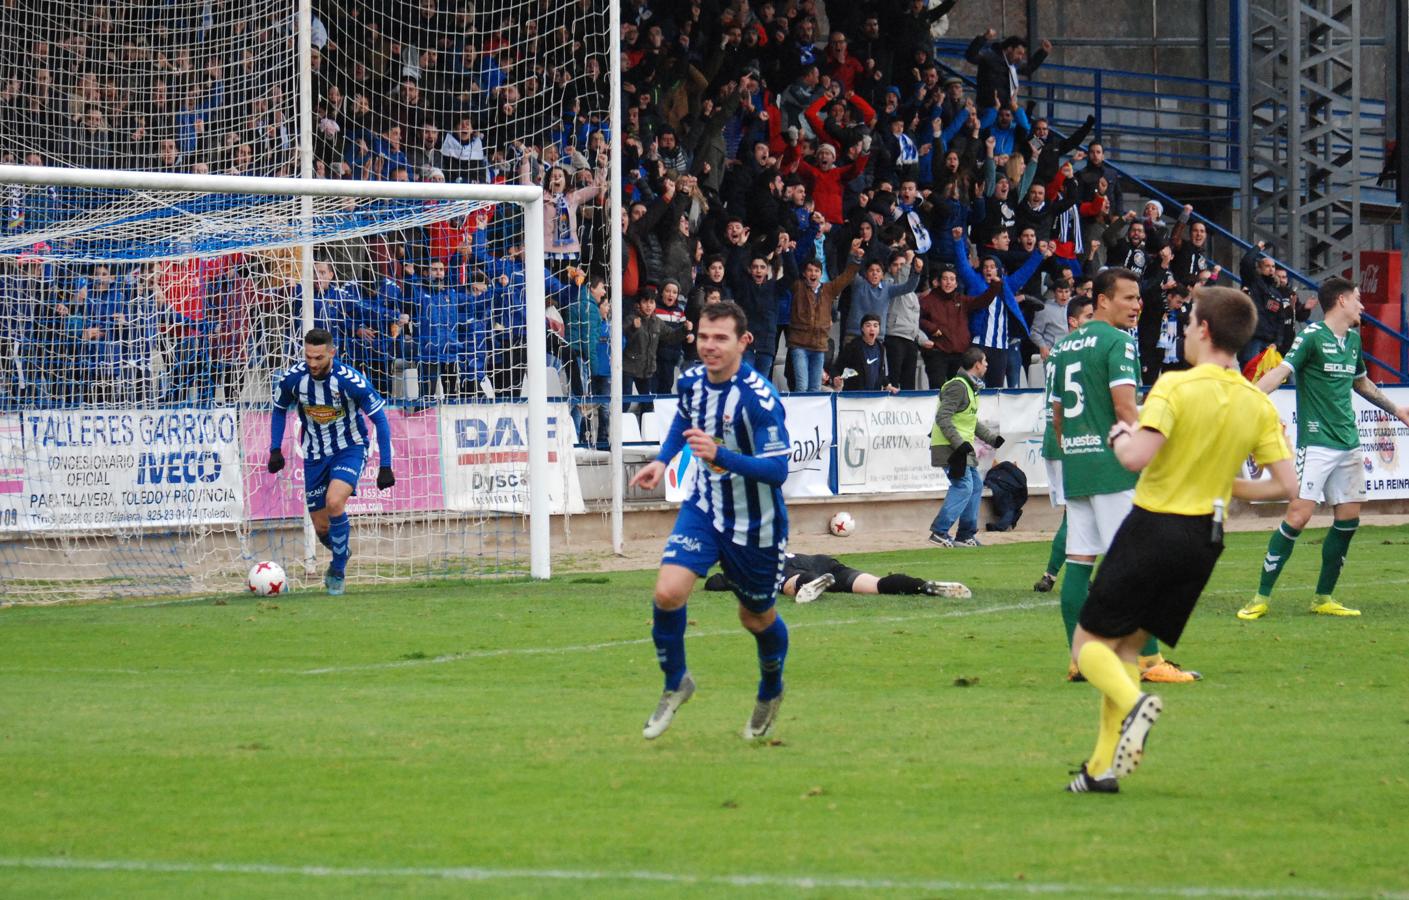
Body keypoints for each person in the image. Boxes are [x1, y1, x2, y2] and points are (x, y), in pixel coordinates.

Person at [1066, 286, 1296, 794]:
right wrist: (1218, 480)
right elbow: (1285, 487)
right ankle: (1101, 769)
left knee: (1087, 648)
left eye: (1190, 322)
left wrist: (1120, 437)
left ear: (1205, 330)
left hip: (1155, 524)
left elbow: (1134, 458)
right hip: (1205, 538)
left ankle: (1136, 707)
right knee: (1123, 650)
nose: (1186, 331)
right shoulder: (1253, 401)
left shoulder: (1176, 385)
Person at [629, 301, 794, 741]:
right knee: (667, 593)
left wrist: (720, 455)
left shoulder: (759, 399)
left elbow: (778, 471)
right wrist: (662, 460)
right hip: (704, 508)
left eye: (720, 338)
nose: (709, 346)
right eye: (703, 336)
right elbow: (685, 418)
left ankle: (771, 689)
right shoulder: (690, 381)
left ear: (744, 341)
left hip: (755, 525)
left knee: (755, 618)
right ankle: (675, 681)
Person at [1050, 269, 1198, 685]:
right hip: (1114, 467)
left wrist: (1075, 453)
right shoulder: (1119, 343)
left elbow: (1058, 415)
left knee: (1079, 561)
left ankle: (1080, 659)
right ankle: (1149, 662)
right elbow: (1126, 410)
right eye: (1128, 298)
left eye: (1138, 298)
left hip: (1078, 465)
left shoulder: (1063, 347)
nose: (1137, 305)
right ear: (1101, 300)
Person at [1239, 277, 1409, 620]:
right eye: (1359, 299)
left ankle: (1323, 597)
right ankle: (1260, 597)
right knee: (1299, 516)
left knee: (1348, 519)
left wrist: (1397, 410)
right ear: (1342, 301)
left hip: (1348, 442)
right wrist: (1248, 397)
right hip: (1316, 444)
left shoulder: (1353, 341)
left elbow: (1360, 382)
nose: (1363, 306)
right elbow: (1281, 373)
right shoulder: (1311, 336)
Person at [268, 328, 396, 596]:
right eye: (308, 357)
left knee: (335, 502)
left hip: (349, 448)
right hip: (314, 455)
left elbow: (380, 420)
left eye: (318, 358)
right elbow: (279, 410)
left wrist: (385, 465)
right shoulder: (294, 379)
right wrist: (275, 449)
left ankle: (337, 570)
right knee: (321, 527)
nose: (312, 363)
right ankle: (342, 551)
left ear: (332, 353)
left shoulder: (351, 381)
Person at [1033, 295, 1094, 594]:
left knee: (1078, 511)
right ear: (1073, 321)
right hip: (1070, 439)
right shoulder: (1080, 350)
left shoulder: (1058, 350)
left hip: (1057, 439)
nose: (1093, 323)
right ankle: (1061, 574)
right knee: (1080, 512)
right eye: (1088, 317)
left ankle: (1052, 574)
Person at [928, 347, 1004, 547]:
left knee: (975, 485)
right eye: (985, 361)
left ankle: (965, 534)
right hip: (951, 447)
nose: (987, 365)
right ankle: (940, 531)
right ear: (977, 364)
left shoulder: (970, 387)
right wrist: (959, 444)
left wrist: (991, 438)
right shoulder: (959, 386)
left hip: (961, 448)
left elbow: (970, 421)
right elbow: (942, 417)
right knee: (963, 486)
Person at [704, 553, 971, 603]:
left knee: (788, 582)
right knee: (875, 584)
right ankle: (921, 586)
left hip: (788, 570)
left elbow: (713, 582)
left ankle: (812, 584)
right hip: (819, 560)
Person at [831, 314, 898, 392]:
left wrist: (887, 385)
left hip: (874, 395)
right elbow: (836, 367)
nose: (872, 329)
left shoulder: (880, 348)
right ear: (862, 328)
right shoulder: (853, 346)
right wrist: (835, 377)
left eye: (875, 326)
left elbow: (879, 371)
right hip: (855, 394)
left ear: (879, 329)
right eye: (868, 326)